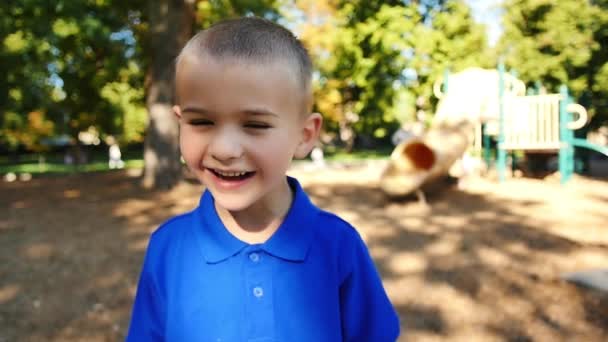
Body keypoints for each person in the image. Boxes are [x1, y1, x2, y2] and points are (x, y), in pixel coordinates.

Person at [127, 17, 400, 341]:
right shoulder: (168, 248)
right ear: (179, 124)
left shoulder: (338, 245)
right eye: (201, 121)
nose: (225, 149)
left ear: (304, 134)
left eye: (255, 125)